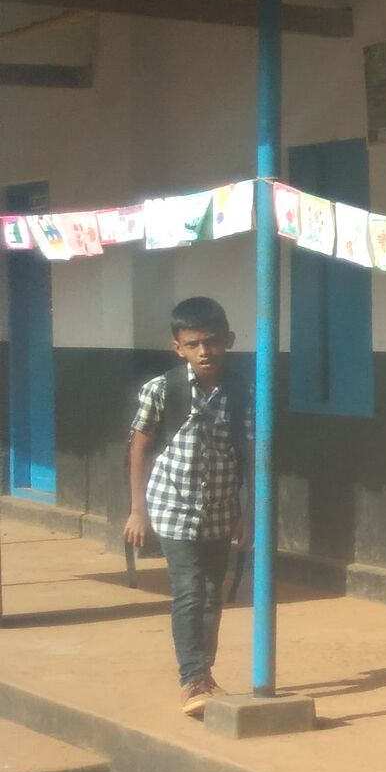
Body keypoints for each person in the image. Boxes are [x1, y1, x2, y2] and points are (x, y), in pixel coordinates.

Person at [125, 297, 247, 717]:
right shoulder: (161, 389)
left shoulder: (242, 392)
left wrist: (246, 512)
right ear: (177, 348)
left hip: (220, 510)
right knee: (190, 590)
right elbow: (138, 448)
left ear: (228, 340)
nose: (204, 351)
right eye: (193, 344)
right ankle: (192, 678)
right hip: (172, 507)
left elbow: (250, 452)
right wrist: (137, 510)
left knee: (213, 593)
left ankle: (204, 673)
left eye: (211, 342)